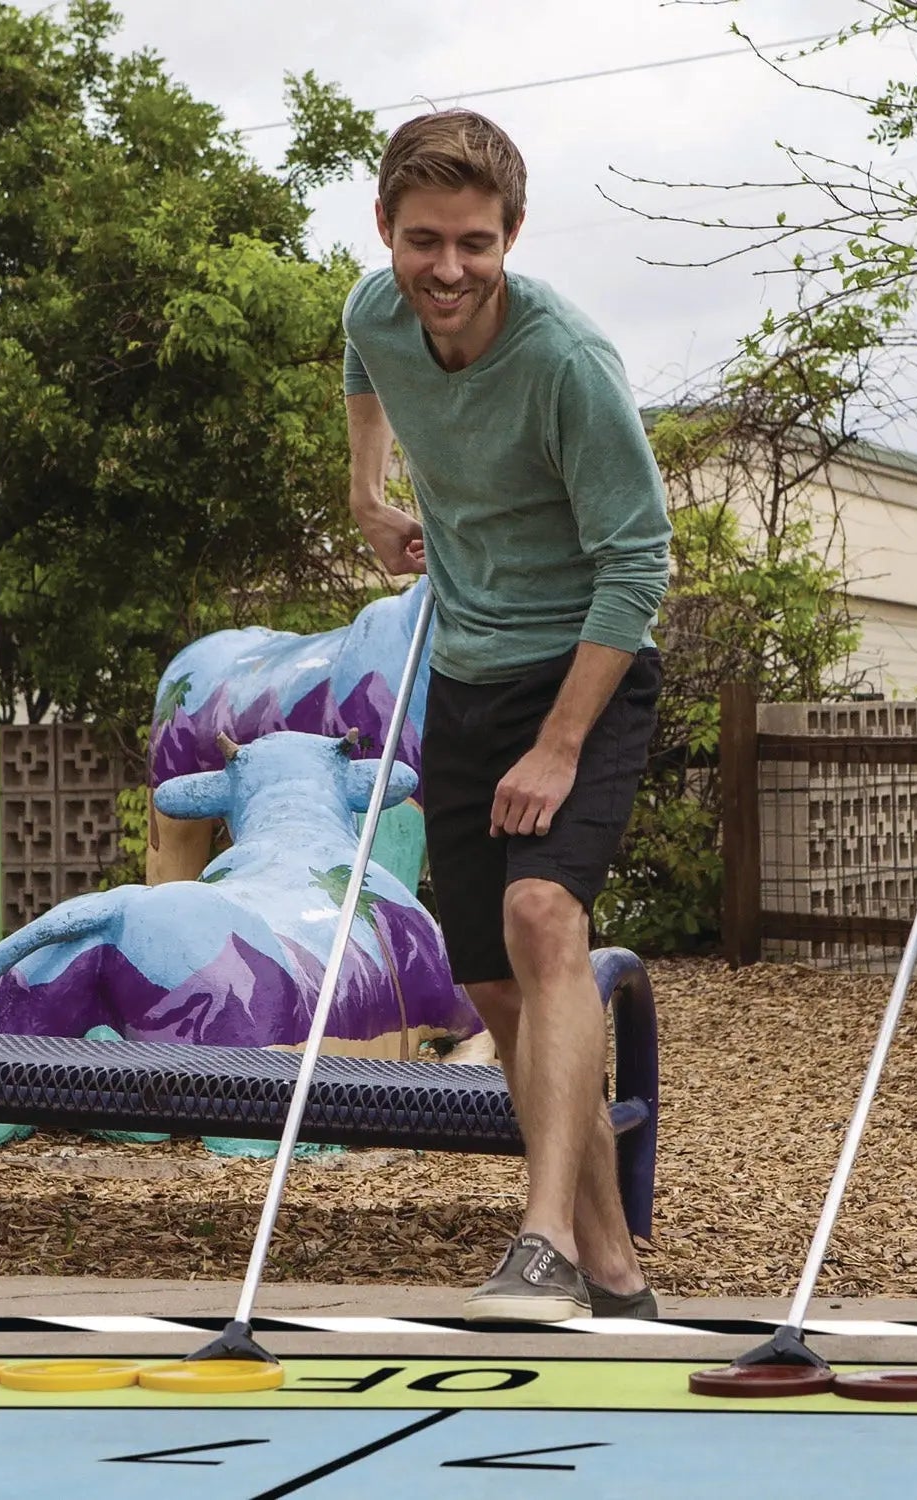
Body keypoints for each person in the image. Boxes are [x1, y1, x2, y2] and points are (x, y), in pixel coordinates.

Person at [342, 110, 671, 1323]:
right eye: (422, 240)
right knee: (494, 994)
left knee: (546, 918)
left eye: (474, 244)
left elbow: (639, 571)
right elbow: (361, 378)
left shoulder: (567, 363)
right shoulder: (374, 314)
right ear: (386, 230)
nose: (446, 270)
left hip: (586, 672)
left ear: (512, 237)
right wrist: (368, 495)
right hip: (470, 678)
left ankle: (535, 1242)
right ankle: (613, 1268)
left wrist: (560, 743)